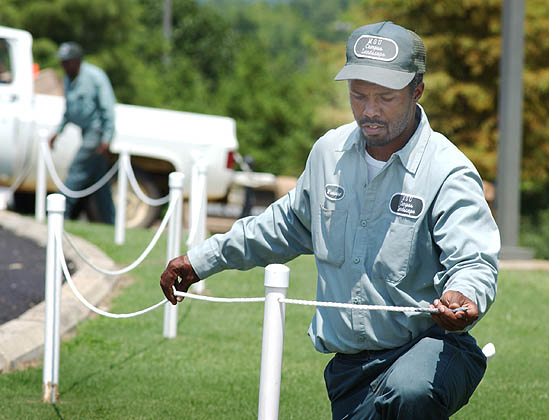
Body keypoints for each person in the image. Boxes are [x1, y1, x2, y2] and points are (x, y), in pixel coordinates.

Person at [160, 21, 500, 419]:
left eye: (386, 97)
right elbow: (279, 227)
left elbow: (473, 260)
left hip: (429, 353)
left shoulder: (448, 171)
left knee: (407, 392)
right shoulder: (328, 154)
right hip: (349, 372)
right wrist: (201, 260)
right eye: (358, 95)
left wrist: (465, 296)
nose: (370, 110)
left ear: (417, 91)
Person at [49, 42, 116, 224]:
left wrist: (107, 137)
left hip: (97, 132)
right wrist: (58, 132)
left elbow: (108, 108)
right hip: (84, 131)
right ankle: (111, 222)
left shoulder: (95, 77)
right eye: (62, 62)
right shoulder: (68, 79)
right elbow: (69, 111)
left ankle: (59, 212)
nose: (63, 65)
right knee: (100, 182)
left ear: (77, 61)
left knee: (76, 171)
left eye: (67, 61)